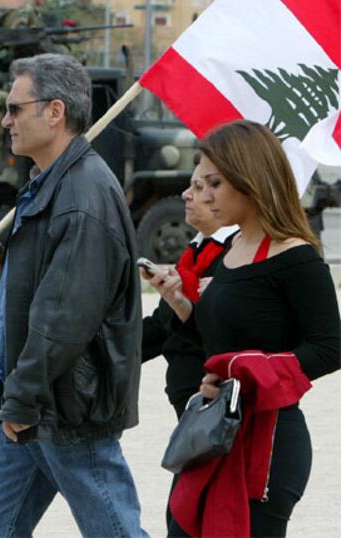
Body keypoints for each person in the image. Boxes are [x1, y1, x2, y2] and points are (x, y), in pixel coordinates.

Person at [0, 53, 148, 538]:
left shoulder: (83, 196)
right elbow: (52, 286)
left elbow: (65, 318)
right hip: (33, 399)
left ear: (55, 112)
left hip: (65, 406)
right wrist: (1, 264)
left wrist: (22, 401)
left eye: (15, 109)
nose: (6, 121)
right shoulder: (54, 183)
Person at [144, 120, 340, 538]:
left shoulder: (297, 257)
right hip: (212, 435)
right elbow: (219, 341)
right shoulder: (231, 250)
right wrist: (182, 307)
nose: (203, 194)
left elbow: (330, 347)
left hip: (265, 445)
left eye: (215, 182)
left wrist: (246, 374)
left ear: (249, 180)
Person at [142, 163, 237, 534]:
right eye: (192, 185)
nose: (186, 194)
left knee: (189, 519)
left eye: (202, 186)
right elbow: (162, 327)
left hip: (217, 414)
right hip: (193, 416)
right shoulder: (196, 250)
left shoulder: (235, 253)